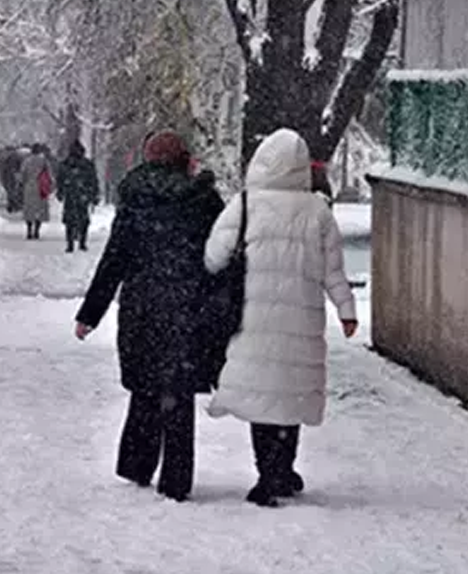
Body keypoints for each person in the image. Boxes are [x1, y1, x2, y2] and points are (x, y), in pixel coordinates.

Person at [204, 128, 357, 508]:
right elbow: (333, 271)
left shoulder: (244, 205)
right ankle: (283, 470)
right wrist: (347, 310)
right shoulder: (318, 211)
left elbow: (214, 257)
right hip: (301, 320)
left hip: (252, 318)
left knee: (262, 398)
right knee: (290, 396)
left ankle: (266, 473)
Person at [73, 130, 225, 502]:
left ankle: (138, 464)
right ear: (183, 159)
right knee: (179, 395)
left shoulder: (136, 199)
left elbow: (115, 260)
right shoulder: (203, 201)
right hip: (188, 310)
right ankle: (176, 479)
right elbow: (222, 258)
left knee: (144, 388)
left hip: (143, 308)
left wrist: (90, 314)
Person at [57, 141, 100, 252]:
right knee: (83, 219)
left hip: (70, 194)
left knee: (70, 221)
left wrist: (61, 192)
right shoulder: (87, 164)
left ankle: (70, 243)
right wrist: (94, 195)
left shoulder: (66, 164)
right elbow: (93, 181)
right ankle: (82, 242)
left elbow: (60, 180)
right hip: (83, 194)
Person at [20, 144, 53, 240]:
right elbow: (49, 175)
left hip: (29, 187)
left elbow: (23, 175)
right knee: (40, 210)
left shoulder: (26, 161)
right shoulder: (44, 161)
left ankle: (29, 230)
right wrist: (50, 186)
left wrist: (23, 183)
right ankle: (37, 230)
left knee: (29, 211)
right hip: (41, 187)